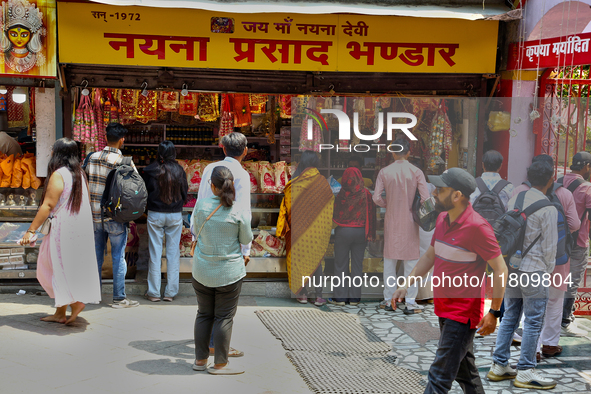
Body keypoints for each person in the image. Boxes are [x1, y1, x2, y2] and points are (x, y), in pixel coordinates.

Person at [392, 167, 508, 394]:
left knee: (439, 376)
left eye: (440, 189)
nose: (434, 193)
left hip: (462, 314)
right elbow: (429, 256)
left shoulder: (478, 228)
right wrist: (406, 284)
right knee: (467, 373)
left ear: (457, 196)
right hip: (443, 308)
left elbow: (500, 269)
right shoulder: (443, 218)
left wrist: (494, 312)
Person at [488, 160, 558, 390]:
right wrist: (546, 272)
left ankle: (499, 365)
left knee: (509, 317)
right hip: (534, 269)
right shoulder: (547, 208)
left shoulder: (517, 198)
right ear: (551, 179)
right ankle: (526, 371)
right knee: (534, 320)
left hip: (512, 268)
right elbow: (549, 247)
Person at [19, 138, 101, 324]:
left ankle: (76, 302)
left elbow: (48, 205)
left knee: (53, 267)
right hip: (78, 228)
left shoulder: (59, 174)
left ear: (58, 154)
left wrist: (31, 231)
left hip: (62, 230)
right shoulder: (80, 174)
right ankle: (60, 312)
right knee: (64, 267)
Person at [512, 154, 580, 358]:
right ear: (552, 175)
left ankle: (534, 347)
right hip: (558, 258)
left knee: (528, 303)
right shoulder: (565, 194)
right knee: (555, 300)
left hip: (525, 259)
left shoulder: (519, 192)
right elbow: (575, 224)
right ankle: (550, 343)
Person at [193, 131, 250, 358]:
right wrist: (245, 250)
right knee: (224, 310)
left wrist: (196, 236)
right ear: (245, 151)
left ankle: (207, 351)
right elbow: (243, 213)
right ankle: (218, 350)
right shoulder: (242, 175)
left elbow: (199, 203)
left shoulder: (210, 169)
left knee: (205, 310)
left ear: (222, 148)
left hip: (207, 237)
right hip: (229, 242)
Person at [373, 139, 430, 313]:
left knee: (390, 262)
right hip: (410, 222)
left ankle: (389, 299)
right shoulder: (416, 171)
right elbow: (426, 199)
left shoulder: (385, 171)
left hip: (391, 221)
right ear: (408, 152)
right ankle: (410, 302)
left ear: (392, 152)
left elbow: (376, 198)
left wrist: (387, 204)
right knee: (411, 263)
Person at [86, 122, 139, 309]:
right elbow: (134, 191)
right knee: (118, 256)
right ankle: (118, 298)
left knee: (95, 256)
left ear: (106, 137)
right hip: (115, 217)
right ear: (122, 140)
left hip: (94, 216)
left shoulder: (91, 158)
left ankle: (93, 295)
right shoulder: (125, 162)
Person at [277, 150, 334, 306]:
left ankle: (302, 294)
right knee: (316, 263)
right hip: (316, 231)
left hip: (298, 230)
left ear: (301, 163)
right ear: (316, 164)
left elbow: (288, 206)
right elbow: (329, 205)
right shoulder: (322, 182)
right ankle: (318, 296)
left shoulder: (294, 182)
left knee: (298, 260)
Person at [142, 141, 188, 302]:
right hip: (175, 214)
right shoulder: (180, 171)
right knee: (173, 253)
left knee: (154, 252)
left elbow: (144, 193)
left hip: (155, 214)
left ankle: (154, 293)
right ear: (173, 153)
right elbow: (185, 194)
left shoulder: (150, 170)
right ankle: (170, 292)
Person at [328, 167, 376, 306]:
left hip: (343, 232)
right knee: (357, 265)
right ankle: (355, 299)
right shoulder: (366, 193)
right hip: (360, 232)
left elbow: (334, 212)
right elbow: (371, 213)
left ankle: (340, 298)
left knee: (340, 264)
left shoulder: (340, 193)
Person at [560, 151, 591, 333]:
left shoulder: (557, 182)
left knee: (554, 277)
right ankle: (565, 318)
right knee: (572, 279)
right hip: (578, 241)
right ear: (586, 166)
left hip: (556, 240)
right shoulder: (587, 187)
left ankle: (554, 315)